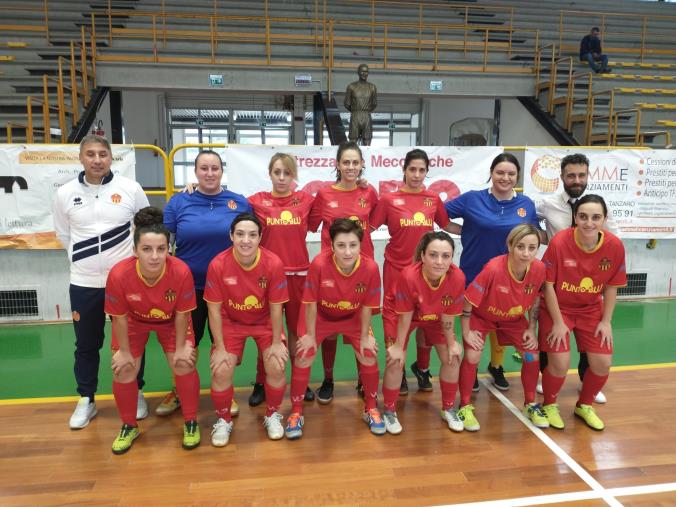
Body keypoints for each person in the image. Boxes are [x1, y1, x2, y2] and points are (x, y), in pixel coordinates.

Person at [52, 134, 150, 430]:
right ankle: (87, 398)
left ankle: (136, 391)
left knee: (131, 343)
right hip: (83, 282)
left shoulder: (130, 189)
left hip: (125, 283)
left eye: (103, 154)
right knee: (86, 343)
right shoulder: (65, 193)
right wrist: (83, 264)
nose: (97, 160)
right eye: (91, 154)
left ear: (111, 158)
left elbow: (145, 227)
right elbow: (63, 235)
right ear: (81, 158)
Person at [158, 150, 250, 417]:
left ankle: (225, 392)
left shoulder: (238, 202)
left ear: (222, 171)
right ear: (195, 172)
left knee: (223, 345)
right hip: (190, 289)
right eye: (204, 168)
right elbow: (163, 241)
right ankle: (179, 390)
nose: (210, 173)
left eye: (215, 168)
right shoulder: (179, 201)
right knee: (186, 344)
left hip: (227, 290)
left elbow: (251, 239)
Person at [105, 207, 201, 454]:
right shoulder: (119, 274)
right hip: (134, 322)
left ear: (168, 248)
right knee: (124, 367)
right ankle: (129, 425)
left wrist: (181, 348)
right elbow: (119, 318)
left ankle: (191, 421)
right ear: (135, 250)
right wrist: (124, 352)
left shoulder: (180, 271)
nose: (155, 256)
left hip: (171, 321)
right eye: (147, 249)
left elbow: (182, 314)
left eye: (161, 249)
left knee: (184, 363)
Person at [445, 152, 540, 392]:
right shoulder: (472, 199)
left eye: (511, 174)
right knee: (478, 323)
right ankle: (472, 369)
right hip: (475, 272)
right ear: (491, 173)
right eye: (500, 172)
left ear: (517, 177)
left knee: (502, 318)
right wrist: (464, 231)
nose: (505, 178)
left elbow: (535, 234)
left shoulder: (525, 204)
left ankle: (496, 366)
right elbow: (440, 215)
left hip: (510, 277)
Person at [285, 218, 384, 439]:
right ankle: (296, 412)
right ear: (332, 246)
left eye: (353, 245)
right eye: (341, 245)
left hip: (353, 316)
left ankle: (371, 408)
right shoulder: (319, 264)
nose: (347, 252)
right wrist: (309, 336)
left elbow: (368, 306)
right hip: (319, 316)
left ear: (361, 245)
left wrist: (365, 336)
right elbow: (309, 303)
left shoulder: (370, 267)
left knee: (368, 353)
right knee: (303, 354)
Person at [371, 148, 458, 395]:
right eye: (412, 169)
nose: (417, 174)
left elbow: (447, 225)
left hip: (427, 273)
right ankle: (398, 371)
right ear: (404, 170)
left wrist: (477, 232)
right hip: (396, 271)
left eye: (421, 170)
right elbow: (368, 226)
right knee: (400, 322)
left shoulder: (432, 199)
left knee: (427, 319)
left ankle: (421, 368)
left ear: (427, 171)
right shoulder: (388, 200)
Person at [538, 194, 626, 431]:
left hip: (590, 310)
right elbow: (547, 285)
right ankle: (549, 404)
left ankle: (584, 405)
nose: (589, 223)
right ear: (575, 218)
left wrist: (606, 321)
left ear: (604, 219)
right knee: (560, 362)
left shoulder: (614, 246)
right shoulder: (560, 242)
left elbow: (611, 286)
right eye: (583, 217)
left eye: (596, 217)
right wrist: (557, 322)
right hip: (558, 308)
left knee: (602, 363)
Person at [536, 153, 617, 404]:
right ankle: (547, 377)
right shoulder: (547, 204)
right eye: (571, 175)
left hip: (588, 282)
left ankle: (587, 381)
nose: (576, 179)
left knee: (589, 346)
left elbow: (611, 241)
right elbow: (526, 223)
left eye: (581, 175)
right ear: (562, 177)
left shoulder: (599, 208)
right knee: (552, 343)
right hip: (558, 279)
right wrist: (539, 238)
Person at [205, 213, 289, 446]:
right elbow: (213, 310)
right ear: (231, 236)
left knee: (276, 364)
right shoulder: (218, 265)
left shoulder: (273, 263)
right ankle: (223, 420)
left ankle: (272, 414)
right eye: (240, 234)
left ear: (260, 237)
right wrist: (219, 348)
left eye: (252, 235)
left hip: (263, 321)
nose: (246, 240)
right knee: (220, 369)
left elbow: (276, 308)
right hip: (230, 321)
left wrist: (275, 343)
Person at [457, 224, 547, 431]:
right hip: (481, 317)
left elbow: (535, 300)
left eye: (532, 248)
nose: (526, 253)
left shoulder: (539, 269)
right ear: (509, 245)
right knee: (472, 356)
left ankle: (530, 403)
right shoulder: (493, 268)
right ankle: (464, 406)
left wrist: (531, 328)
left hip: (514, 320)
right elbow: (468, 302)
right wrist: (466, 332)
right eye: (520, 247)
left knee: (532, 355)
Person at [308, 141, 379, 403]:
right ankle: (328, 380)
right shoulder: (324, 194)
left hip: (362, 272)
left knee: (363, 326)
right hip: (331, 273)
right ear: (336, 165)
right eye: (345, 162)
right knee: (330, 330)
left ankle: (364, 379)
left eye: (355, 162)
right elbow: (310, 222)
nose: (350, 167)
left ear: (362, 165)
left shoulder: (369, 192)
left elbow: (380, 218)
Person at [247, 153, 315, 407]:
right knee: (268, 333)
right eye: (277, 172)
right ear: (270, 173)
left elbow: (335, 201)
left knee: (298, 334)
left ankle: (301, 381)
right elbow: (226, 203)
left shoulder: (306, 200)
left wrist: (361, 183)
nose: (282, 178)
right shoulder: (256, 202)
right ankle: (261, 382)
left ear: (293, 175)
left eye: (287, 173)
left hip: (299, 276)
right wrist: (192, 188)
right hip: (267, 279)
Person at [381, 231, 465, 435]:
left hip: (435, 315)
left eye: (445, 256)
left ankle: (448, 408)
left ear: (452, 258)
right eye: (433, 255)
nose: (439, 261)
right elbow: (405, 316)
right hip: (400, 314)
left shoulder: (457, 277)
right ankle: (389, 411)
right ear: (423, 256)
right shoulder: (408, 276)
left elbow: (447, 315)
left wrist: (452, 341)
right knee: (395, 359)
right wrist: (399, 347)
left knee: (452, 357)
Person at [344, 63, 377, 146]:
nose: (364, 74)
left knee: (367, 139)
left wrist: (366, 111)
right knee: (352, 140)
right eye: (362, 71)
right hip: (355, 114)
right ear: (358, 72)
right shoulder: (351, 87)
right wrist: (355, 111)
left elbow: (374, 103)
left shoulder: (372, 87)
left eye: (366, 72)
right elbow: (346, 103)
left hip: (367, 115)